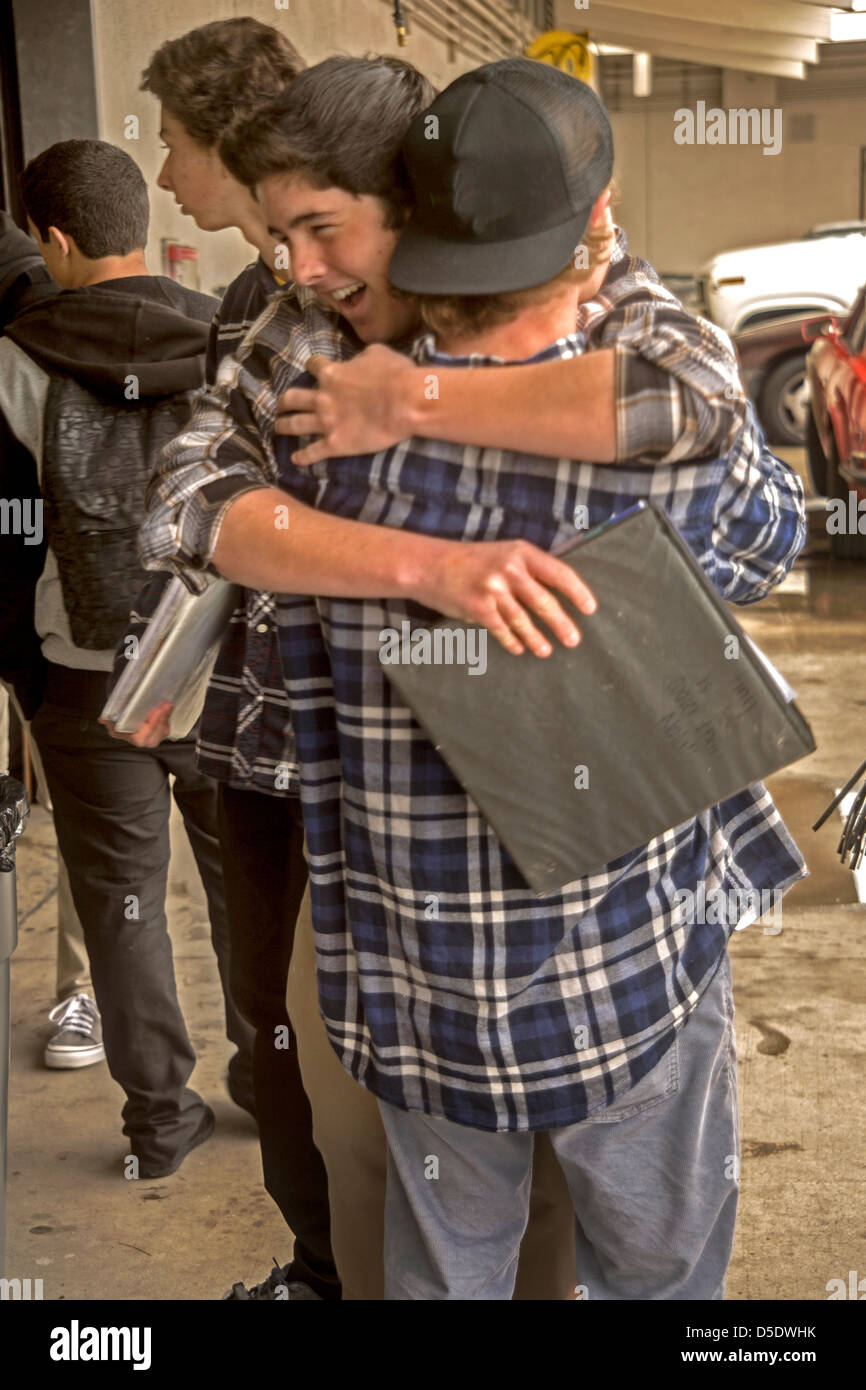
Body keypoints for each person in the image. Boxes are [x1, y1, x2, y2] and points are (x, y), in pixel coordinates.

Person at [137, 54, 805, 1297]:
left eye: (321, 231)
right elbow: (758, 522)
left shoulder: (342, 427)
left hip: (431, 941)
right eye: (280, 238)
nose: (297, 271)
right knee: (633, 1242)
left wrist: (417, 405)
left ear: (422, 218)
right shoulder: (358, 367)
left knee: (458, 1239)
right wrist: (430, 569)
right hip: (595, 934)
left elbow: (195, 507)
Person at [0, 138, 257, 1178]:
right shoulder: (224, 337)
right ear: (142, 229)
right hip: (216, 667)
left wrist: (28, 673)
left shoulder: (13, 360)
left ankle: (158, 1120)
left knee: (121, 903)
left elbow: (7, 540)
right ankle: (266, 1080)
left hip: (86, 675)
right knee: (246, 888)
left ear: (54, 241)